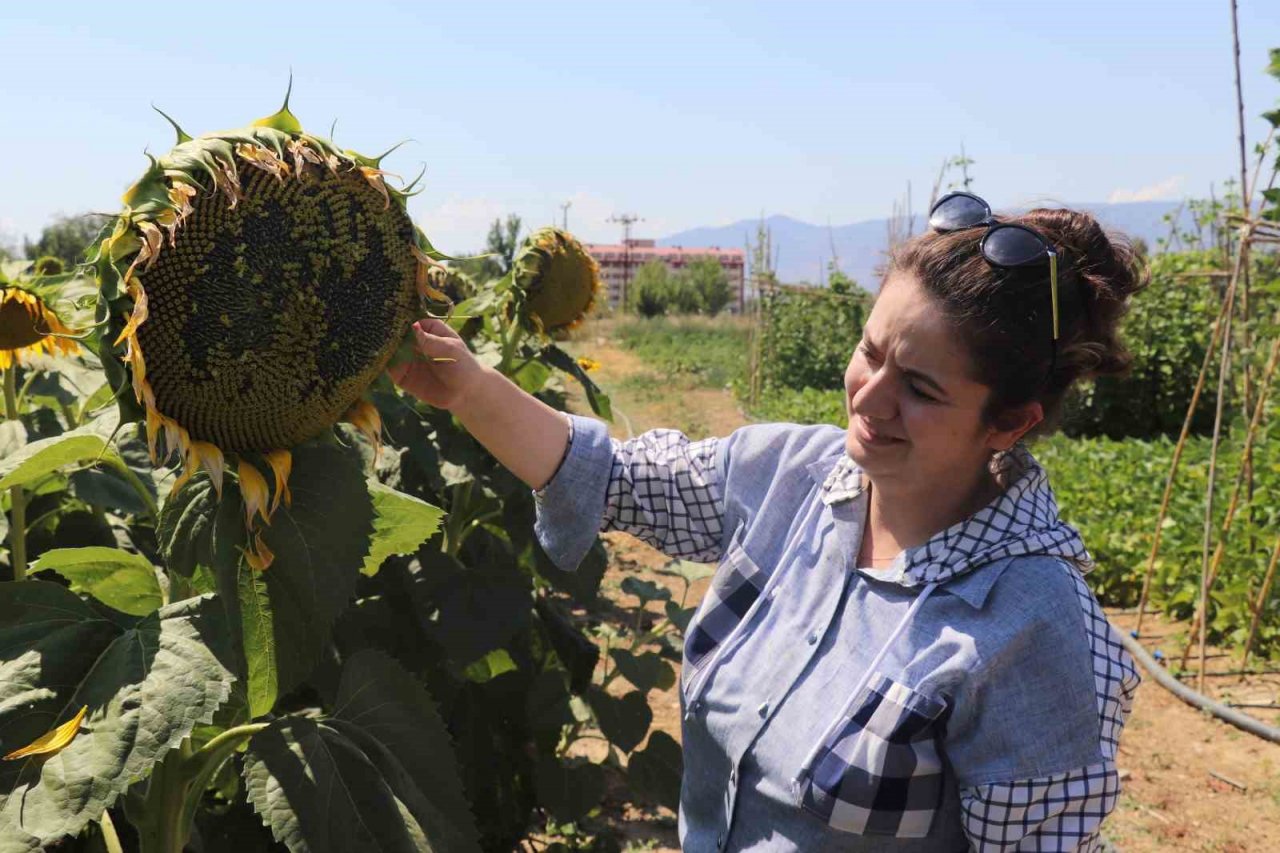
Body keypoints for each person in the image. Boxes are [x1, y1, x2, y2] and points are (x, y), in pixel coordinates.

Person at [390, 192, 1145, 852]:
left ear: (1009, 422)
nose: (869, 399)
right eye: (870, 351)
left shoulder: (1032, 627)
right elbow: (610, 477)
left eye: (918, 387)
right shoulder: (792, 477)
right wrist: (466, 389)